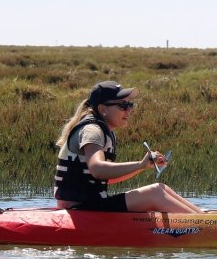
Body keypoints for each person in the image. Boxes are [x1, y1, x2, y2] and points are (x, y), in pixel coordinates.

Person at [54, 80, 205, 213]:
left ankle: (205, 219)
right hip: (79, 209)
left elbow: (105, 178)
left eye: (130, 104)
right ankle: (207, 227)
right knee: (154, 193)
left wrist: (142, 167)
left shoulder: (105, 132)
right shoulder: (92, 131)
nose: (129, 110)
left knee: (160, 188)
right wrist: (140, 163)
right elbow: (98, 170)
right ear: (102, 109)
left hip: (90, 204)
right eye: (123, 105)